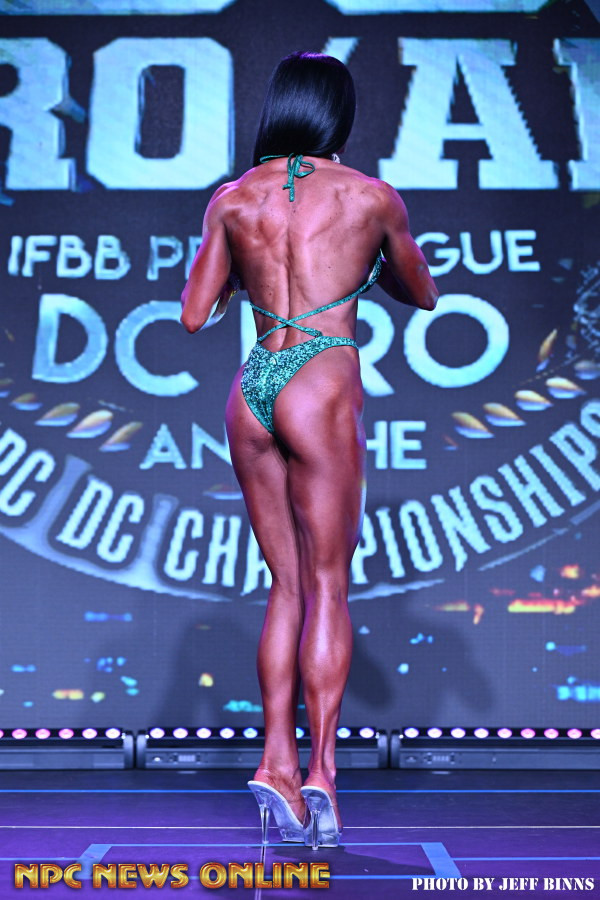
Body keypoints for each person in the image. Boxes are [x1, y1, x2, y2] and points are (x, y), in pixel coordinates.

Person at [180, 51, 438, 849]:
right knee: (328, 584)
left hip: (254, 381)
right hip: (320, 376)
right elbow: (424, 292)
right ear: (339, 116)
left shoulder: (234, 198)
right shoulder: (371, 197)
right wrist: (365, 263)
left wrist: (247, 268)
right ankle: (321, 772)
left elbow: (194, 314)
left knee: (284, 585)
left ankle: (275, 761)